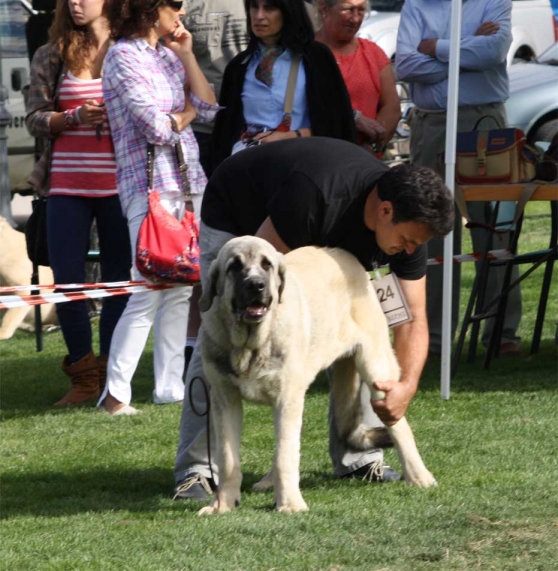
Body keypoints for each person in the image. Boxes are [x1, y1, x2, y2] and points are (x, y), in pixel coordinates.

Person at [173, 136, 455, 500]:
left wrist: (406, 387)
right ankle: (198, 470)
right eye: (407, 240)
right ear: (385, 211)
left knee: (361, 335)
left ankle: (358, 457)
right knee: (223, 330)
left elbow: (412, 319)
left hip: (325, 235)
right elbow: (262, 280)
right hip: (243, 220)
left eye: (416, 243)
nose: (411, 250)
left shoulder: (409, 225)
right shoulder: (314, 193)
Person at [98, 0, 219, 415]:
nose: (182, 13)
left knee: (182, 288)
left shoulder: (168, 54)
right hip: (147, 188)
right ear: (154, 10)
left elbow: (207, 106)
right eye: (176, 5)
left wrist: (187, 56)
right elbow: (156, 127)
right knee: (148, 288)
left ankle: (169, 386)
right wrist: (184, 112)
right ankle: (115, 394)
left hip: (188, 186)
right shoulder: (122, 57)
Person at [395, 0, 522, 356]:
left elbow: (493, 53)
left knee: (494, 230)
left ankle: (500, 333)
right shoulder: (416, 5)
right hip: (431, 124)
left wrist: (435, 47)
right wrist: (465, 51)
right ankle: (431, 339)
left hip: (484, 124)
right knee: (430, 230)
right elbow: (405, 65)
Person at [25, 0, 131, 407]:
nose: (73, 2)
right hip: (65, 185)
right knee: (67, 282)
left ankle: (110, 374)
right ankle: (83, 375)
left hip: (121, 187)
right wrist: (71, 119)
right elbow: (34, 116)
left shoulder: (131, 51)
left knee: (118, 284)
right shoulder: (53, 54)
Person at [181, 0, 258, 363]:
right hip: (195, 131)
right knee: (200, 241)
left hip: (248, 132)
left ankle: (253, 329)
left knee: (249, 239)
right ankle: (197, 342)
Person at [210, 0, 356, 169]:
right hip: (250, 170)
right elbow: (224, 135)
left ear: (288, 10)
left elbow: (338, 125)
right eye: (254, 7)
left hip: (305, 166)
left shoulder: (316, 57)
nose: (259, 16)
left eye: (269, 8)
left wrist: (291, 136)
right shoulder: (239, 67)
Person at [312, 0, 400, 155]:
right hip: (319, 157)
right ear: (324, 9)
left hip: (366, 163)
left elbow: (391, 107)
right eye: (347, 9)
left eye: (361, 10)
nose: (355, 18)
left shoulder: (373, 53)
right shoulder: (306, 53)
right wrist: (351, 117)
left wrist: (371, 148)